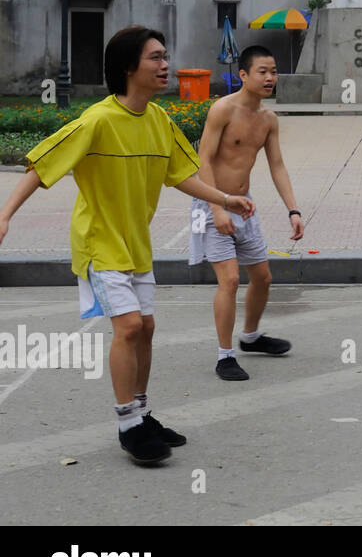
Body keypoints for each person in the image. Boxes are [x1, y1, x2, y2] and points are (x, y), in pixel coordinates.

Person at [0, 27, 255, 465]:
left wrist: (225, 199)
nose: (165, 65)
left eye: (164, 56)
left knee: (148, 329)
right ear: (128, 67)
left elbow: (181, 175)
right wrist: (4, 216)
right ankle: (127, 426)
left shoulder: (159, 121)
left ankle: (141, 411)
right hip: (98, 242)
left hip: (136, 242)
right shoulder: (97, 120)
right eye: (155, 57)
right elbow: (41, 167)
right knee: (131, 327)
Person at [190, 44, 304, 381]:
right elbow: (203, 161)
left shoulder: (269, 119)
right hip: (212, 204)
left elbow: (277, 166)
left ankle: (251, 337)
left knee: (263, 278)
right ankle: (225, 356)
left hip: (245, 205)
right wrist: (217, 207)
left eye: (273, 72)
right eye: (263, 72)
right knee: (228, 279)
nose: (270, 78)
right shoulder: (222, 110)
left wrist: (293, 210)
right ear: (243, 75)